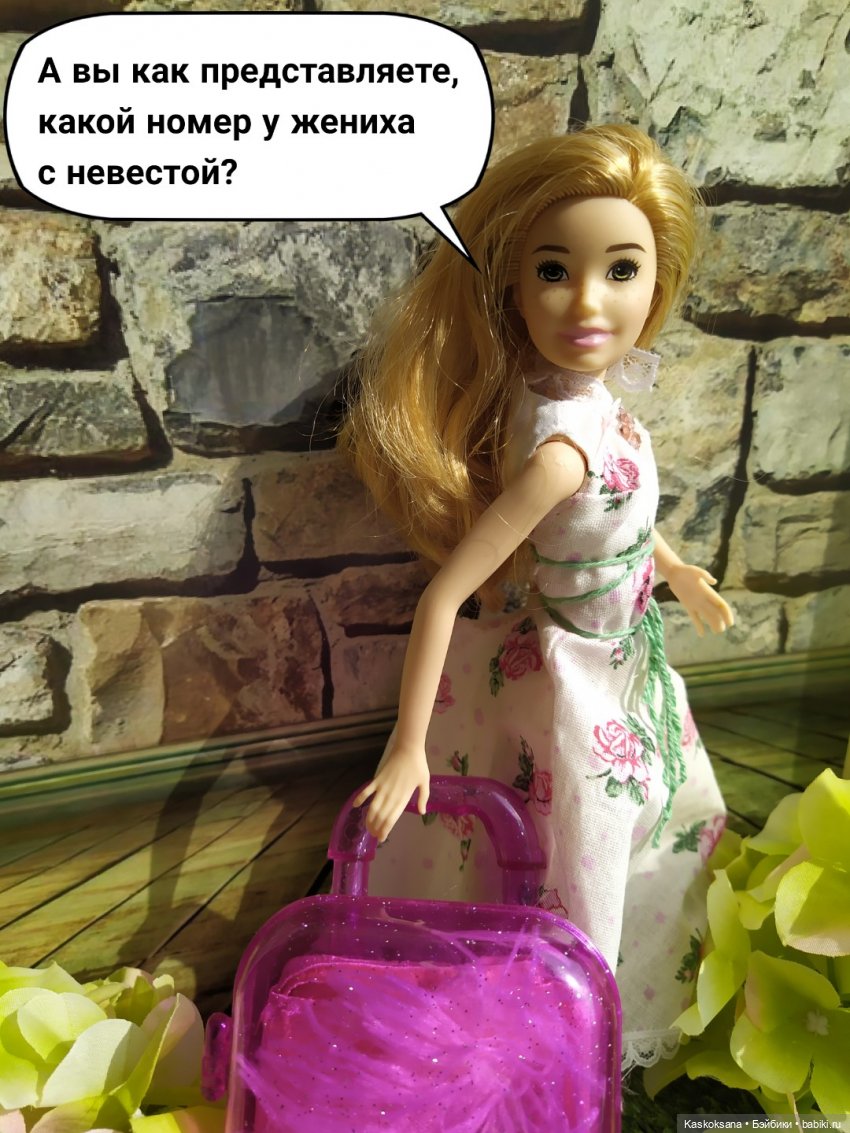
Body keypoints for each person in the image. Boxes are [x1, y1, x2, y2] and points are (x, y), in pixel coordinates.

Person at [338, 124, 734, 1069]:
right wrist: (406, 746)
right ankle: (558, 1042)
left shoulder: (592, 407)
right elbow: (444, 596)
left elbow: (619, 507)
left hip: (625, 663)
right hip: (571, 682)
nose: (589, 300)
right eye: (554, 271)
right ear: (513, 287)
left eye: (621, 270)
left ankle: (611, 1011)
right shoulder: (560, 447)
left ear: (658, 282)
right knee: (580, 844)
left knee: (655, 828)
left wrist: (675, 570)